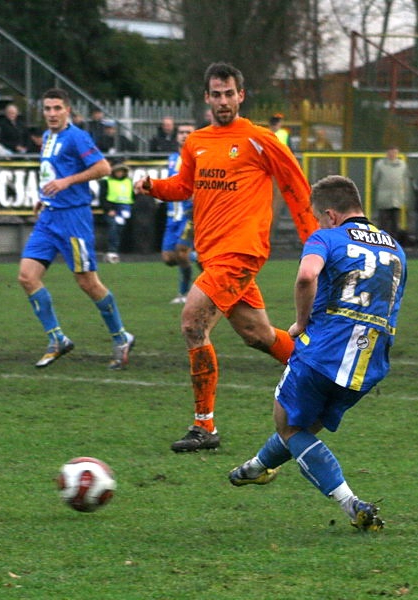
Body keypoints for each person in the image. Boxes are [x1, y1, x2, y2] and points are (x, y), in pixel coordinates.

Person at [134, 62, 317, 452]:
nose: (222, 101)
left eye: (229, 93)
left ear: (241, 95)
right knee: (258, 335)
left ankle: (205, 427)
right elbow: (184, 186)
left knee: (191, 322)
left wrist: (316, 244)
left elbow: (296, 188)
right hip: (212, 255)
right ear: (206, 98)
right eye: (215, 94)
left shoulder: (259, 139)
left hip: (241, 253)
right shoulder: (197, 141)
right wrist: (153, 187)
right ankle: (323, 371)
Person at [228, 174, 406, 531]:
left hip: (324, 350)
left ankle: (351, 503)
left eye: (318, 218)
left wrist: (299, 323)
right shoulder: (394, 247)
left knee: (289, 426)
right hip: (369, 362)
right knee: (304, 427)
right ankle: (255, 469)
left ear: (330, 214)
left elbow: (307, 276)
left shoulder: (326, 237)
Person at [18, 88, 135, 370]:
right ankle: (57, 339)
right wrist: (43, 197)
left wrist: (67, 182)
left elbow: (104, 167)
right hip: (49, 217)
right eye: (47, 109)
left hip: (73, 220)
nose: (52, 114)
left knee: (87, 282)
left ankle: (121, 337)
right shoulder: (47, 137)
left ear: (67, 110)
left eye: (57, 108)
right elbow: (52, 174)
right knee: (26, 276)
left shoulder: (78, 137)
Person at [160, 122, 195, 304]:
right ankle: (201, 258)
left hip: (188, 214)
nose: (184, 135)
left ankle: (184, 292)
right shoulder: (173, 158)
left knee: (181, 252)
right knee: (168, 258)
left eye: (188, 132)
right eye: (181, 132)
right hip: (172, 216)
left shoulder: (198, 157)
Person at [372, 145, 409, 240]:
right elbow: (375, 180)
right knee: (383, 222)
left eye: (395, 152)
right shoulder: (380, 164)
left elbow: (405, 180)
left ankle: (394, 242)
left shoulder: (402, 165)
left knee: (395, 222)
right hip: (384, 198)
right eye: (391, 152)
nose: (393, 154)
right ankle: (382, 241)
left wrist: (404, 195)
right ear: (387, 153)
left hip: (397, 198)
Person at [99, 161, 134, 263]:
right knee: (114, 227)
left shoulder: (128, 181)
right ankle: (112, 251)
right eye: (118, 171)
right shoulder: (106, 181)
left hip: (125, 208)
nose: (120, 173)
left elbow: (131, 196)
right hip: (112, 209)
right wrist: (108, 209)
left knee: (121, 229)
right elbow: (103, 197)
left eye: (121, 171)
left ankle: (119, 250)